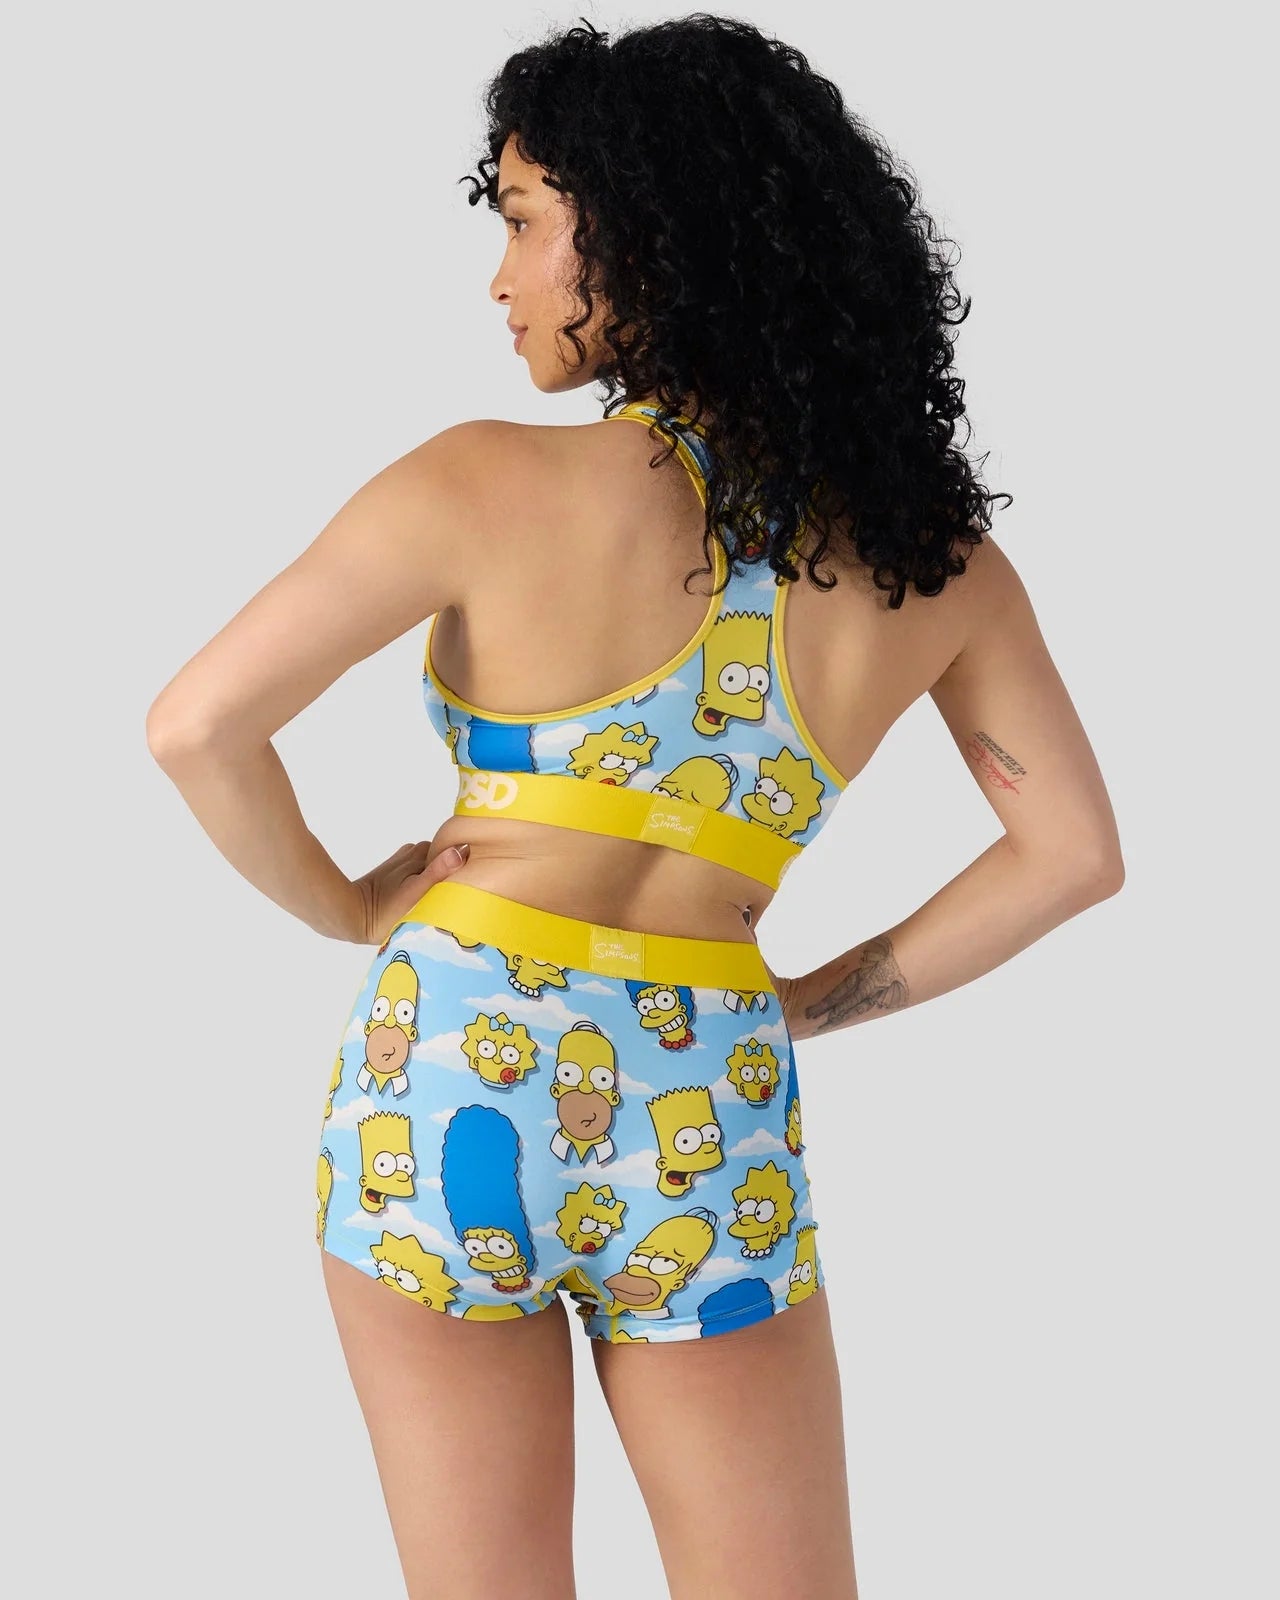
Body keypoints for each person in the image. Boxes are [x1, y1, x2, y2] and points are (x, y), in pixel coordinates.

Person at [146, 16, 1124, 1600]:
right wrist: (802, 1000)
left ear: (656, 233)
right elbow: (1071, 855)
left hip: (440, 1078)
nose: (501, 279)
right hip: (706, 1091)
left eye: (527, 220)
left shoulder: (480, 481)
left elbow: (196, 726)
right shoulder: (935, 564)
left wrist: (351, 904)